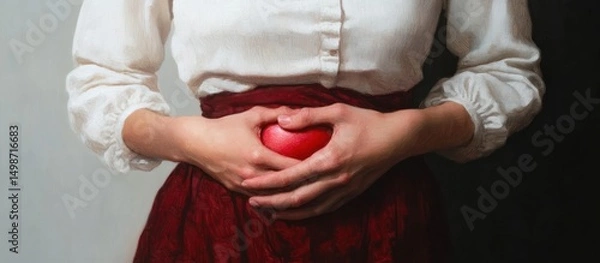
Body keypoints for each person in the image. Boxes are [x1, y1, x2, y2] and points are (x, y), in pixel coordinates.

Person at [65, 0, 545, 262]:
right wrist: (191, 141)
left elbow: (506, 70)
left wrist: (406, 133)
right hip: (216, 231)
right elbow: (103, 80)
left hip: (385, 225)